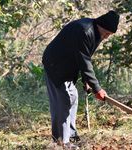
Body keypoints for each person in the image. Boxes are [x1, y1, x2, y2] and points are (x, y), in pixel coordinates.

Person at [42, 10, 119, 149]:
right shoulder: (85, 31)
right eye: (106, 33)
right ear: (100, 25)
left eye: (109, 35)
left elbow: (85, 57)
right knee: (65, 99)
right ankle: (62, 142)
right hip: (55, 64)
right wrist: (97, 89)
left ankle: (68, 136)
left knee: (73, 97)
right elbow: (84, 61)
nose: (106, 37)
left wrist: (87, 81)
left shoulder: (96, 34)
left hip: (66, 66)